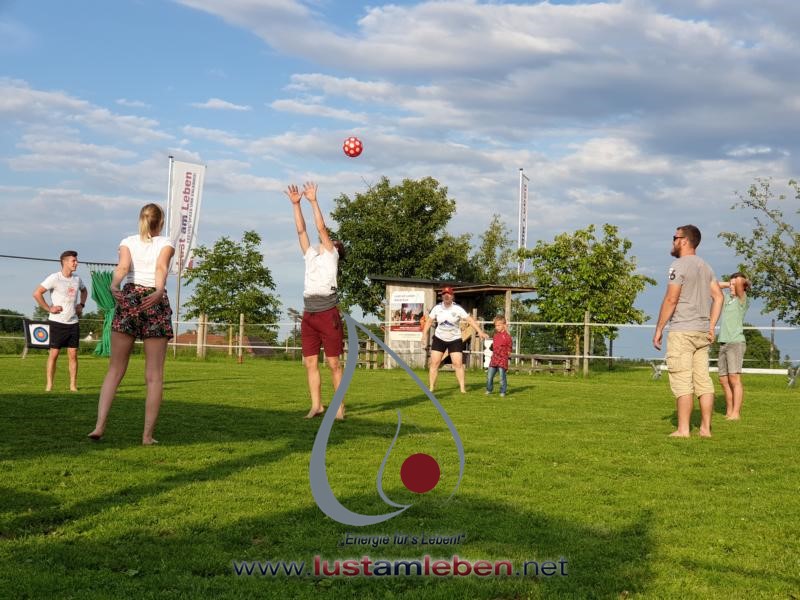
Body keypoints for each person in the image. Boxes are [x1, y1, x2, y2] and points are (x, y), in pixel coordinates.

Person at [88, 204, 175, 445]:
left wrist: (114, 286)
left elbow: (123, 268)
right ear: (161, 222)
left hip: (128, 298)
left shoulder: (127, 242)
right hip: (153, 301)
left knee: (115, 370)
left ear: (140, 219)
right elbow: (161, 267)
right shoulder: (166, 243)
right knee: (154, 376)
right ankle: (147, 436)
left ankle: (99, 426)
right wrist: (159, 290)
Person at [653, 225, 724, 438]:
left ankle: (683, 430)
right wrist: (711, 326)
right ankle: (705, 429)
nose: (673, 241)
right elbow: (719, 297)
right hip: (702, 333)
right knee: (703, 381)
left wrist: (659, 328)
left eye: (675, 237)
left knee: (682, 380)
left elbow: (671, 299)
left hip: (682, 331)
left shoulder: (678, 265)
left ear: (684, 240)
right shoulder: (706, 267)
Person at [287, 181, 346, 420]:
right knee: (310, 363)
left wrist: (313, 201)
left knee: (333, 364)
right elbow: (302, 231)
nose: (327, 241)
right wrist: (296, 204)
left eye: (332, 242)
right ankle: (317, 406)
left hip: (327, 314)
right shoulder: (311, 255)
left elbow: (321, 228)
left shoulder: (331, 256)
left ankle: (339, 408)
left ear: (336, 250)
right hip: (309, 315)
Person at [33, 250, 88, 391]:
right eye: (73, 261)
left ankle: (73, 385)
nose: (76, 263)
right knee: (54, 354)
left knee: (73, 355)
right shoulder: (54, 278)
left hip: (73, 322)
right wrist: (48, 308)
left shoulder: (77, 279)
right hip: (57, 323)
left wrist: (81, 305)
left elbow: (84, 291)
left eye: (76, 260)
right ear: (65, 262)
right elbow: (37, 293)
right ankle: (49, 385)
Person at [421, 286, 488, 393]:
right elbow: (429, 321)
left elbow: (470, 320)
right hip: (439, 339)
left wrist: (480, 332)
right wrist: (424, 334)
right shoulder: (437, 308)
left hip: (455, 340)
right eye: (444, 294)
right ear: (442, 296)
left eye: (448, 294)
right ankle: (431, 387)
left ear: (452, 296)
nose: (446, 296)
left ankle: (462, 389)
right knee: (434, 363)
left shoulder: (458, 308)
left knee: (458, 364)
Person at [717, 272, 750, 420]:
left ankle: (736, 413)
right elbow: (713, 286)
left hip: (736, 343)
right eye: (730, 284)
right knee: (723, 380)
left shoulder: (742, 300)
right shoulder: (727, 299)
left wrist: (736, 283)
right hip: (723, 342)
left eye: (734, 284)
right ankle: (729, 411)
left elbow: (740, 284)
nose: (731, 286)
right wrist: (729, 284)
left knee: (734, 378)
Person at [486, 315, 513, 397]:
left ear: (504, 325)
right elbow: (494, 346)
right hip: (494, 359)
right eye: (496, 325)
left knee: (502, 377)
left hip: (502, 360)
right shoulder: (495, 335)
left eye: (499, 325)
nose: (497, 327)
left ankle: (502, 391)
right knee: (489, 376)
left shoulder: (507, 337)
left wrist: (507, 354)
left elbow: (509, 348)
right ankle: (489, 389)